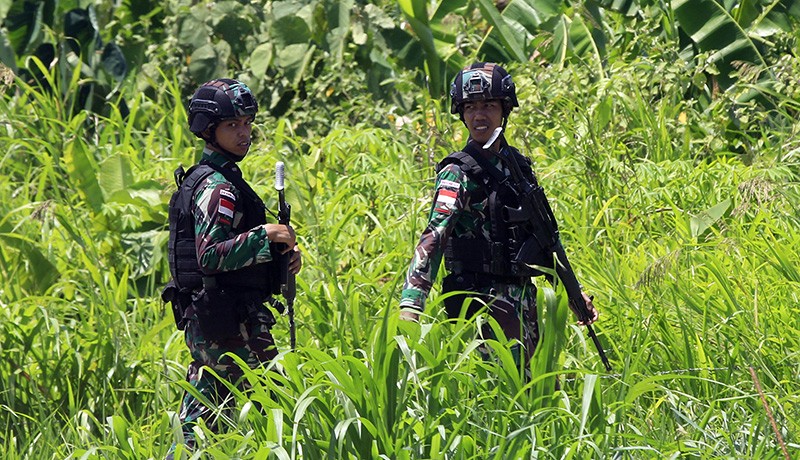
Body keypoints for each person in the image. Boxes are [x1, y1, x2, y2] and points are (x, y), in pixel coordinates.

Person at [398, 62, 598, 371]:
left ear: (504, 110)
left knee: (543, 391)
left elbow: (545, 239)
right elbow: (434, 236)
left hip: (525, 301)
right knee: (500, 395)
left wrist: (573, 294)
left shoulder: (518, 166)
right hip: (480, 304)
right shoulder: (458, 172)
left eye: (489, 105)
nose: (479, 116)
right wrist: (412, 302)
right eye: (470, 107)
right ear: (461, 113)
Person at [161, 78, 302, 459]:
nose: (244, 134)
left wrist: (280, 256)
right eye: (232, 126)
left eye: (247, 124)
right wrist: (265, 235)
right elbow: (211, 255)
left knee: (203, 419)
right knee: (272, 407)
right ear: (209, 131)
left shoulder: (217, 179)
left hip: (215, 318)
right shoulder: (218, 187)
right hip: (228, 322)